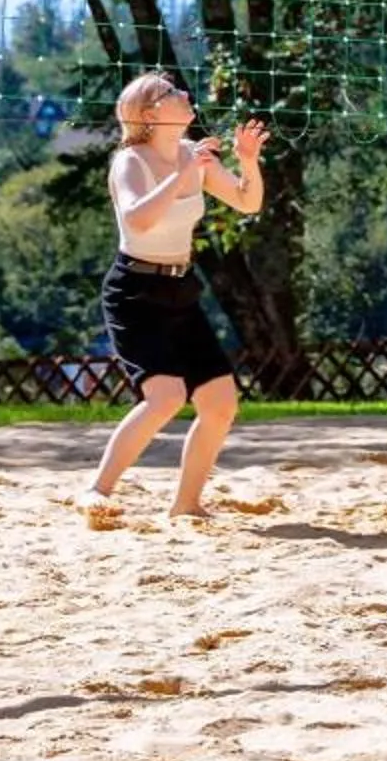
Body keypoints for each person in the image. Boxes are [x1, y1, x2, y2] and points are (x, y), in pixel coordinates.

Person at [79, 72, 269, 519]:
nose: (185, 94)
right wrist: (185, 172)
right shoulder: (130, 162)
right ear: (149, 114)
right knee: (165, 398)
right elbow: (139, 220)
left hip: (179, 288)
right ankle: (98, 490)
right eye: (171, 92)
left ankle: (186, 506)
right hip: (135, 292)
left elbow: (247, 202)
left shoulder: (191, 153)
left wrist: (249, 160)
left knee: (221, 405)